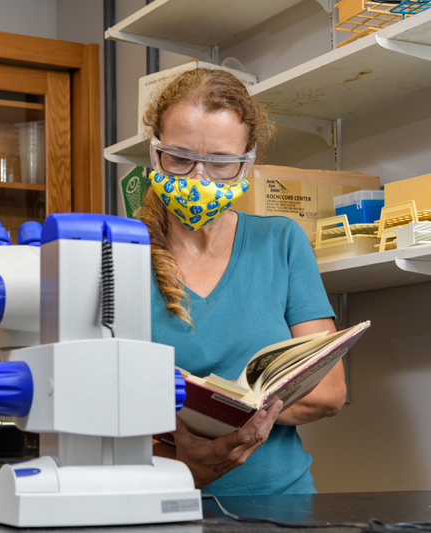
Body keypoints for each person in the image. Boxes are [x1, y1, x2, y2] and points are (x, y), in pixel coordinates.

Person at [138, 68, 346, 495]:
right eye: (179, 158)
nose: (198, 179)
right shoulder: (115, 255)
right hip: (157, 500)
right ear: (153, 151)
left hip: (282, 505)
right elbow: (96, 407)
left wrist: (199, 405)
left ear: (248, 162)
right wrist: (250, 402)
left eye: (221, 164)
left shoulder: (281, 242)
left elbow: (327, 391)